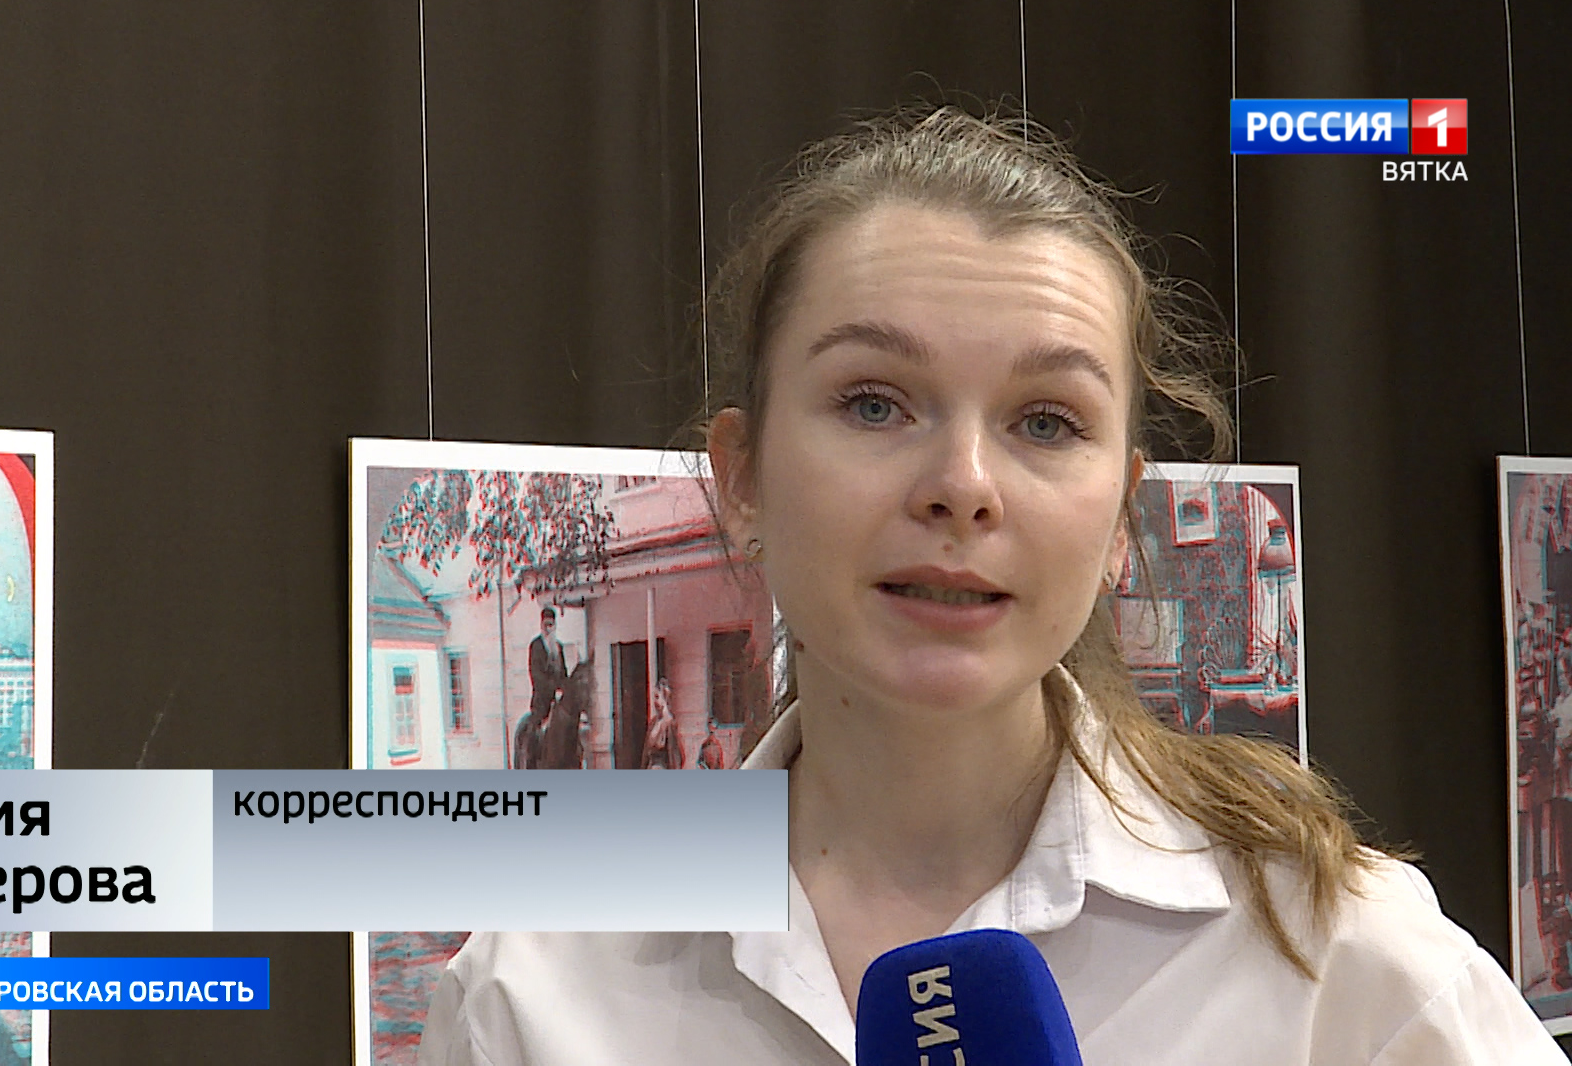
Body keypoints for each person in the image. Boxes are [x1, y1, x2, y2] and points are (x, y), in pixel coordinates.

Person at [418, 107, 1562, 1062]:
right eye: (875, 403)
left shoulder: (1334, 956)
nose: (963, 487)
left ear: (1120, 518)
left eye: (1046, 422)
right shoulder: (536, 986)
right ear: (744, 476)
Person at [517, 607, 567, 769]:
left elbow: (563, 672)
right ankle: (530, 762)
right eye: (546, 625)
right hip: (542, 699)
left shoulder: (558, 647)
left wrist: (564, 688)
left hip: (559, 700)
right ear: (541, 625)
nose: (548, 628)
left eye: (551, 625)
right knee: (534, 732)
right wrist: (552, 688)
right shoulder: (536, 645)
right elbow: (536, 674)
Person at [642, 674, 679, 769]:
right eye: (654, 697)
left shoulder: (669, 723)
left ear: (665, 698)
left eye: (657, 697)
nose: (655, 701)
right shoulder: (653, 722)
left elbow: (674, 755)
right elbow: (646, 754)